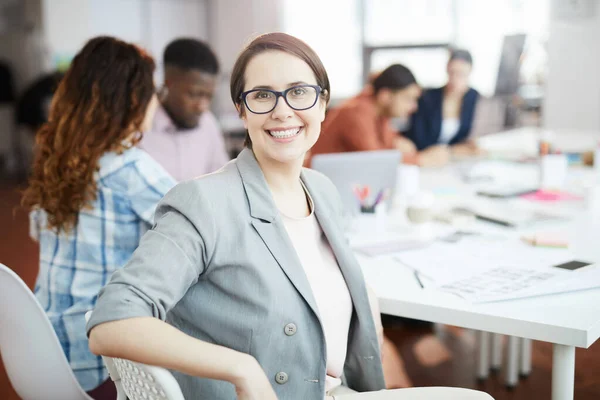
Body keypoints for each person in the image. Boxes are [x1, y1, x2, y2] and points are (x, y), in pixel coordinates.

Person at [86, 33, 494, 400]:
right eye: (262, 95)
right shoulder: (202, 202)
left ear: (322, 103)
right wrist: (239, 367)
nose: (282, 110)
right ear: (242, 111)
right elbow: (112, 321)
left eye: (299, 92)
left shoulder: (322, 190)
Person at [21, 37, 176, 398]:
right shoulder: (131, 168)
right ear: (134, 100)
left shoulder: (55, 159)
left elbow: (36, 231)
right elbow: (202, 230)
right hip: (102, 362)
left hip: (45, 349)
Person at [139, 38, 229, 181]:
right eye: (194, 94)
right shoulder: (139, 127)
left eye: (209, 96)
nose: (202, 107)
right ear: (169, 83)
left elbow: (222, 179)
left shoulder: (208, 123)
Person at [405, 49, 481, 158]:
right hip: (424, 157)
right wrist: (452, 150)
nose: (454, 79)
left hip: (451, 160)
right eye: (452, 73)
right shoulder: (427, 98)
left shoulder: (473, 98)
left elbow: (467, 137)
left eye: (461, 74)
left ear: (470, 72)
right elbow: (418, 139)